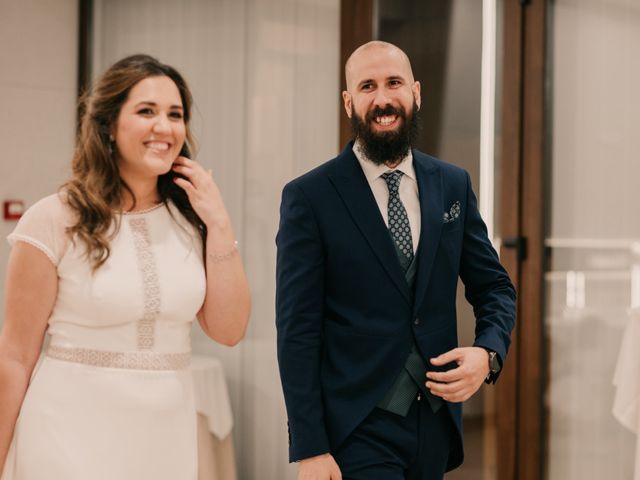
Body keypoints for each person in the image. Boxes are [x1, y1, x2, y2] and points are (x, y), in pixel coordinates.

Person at [0, 54, 251, 480]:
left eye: (176, 114)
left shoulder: (193, 220)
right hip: (67, 436)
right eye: (146, 111)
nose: (165, 127)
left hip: (164, 442)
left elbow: (229, 330)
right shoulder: (53, 219)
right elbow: (15, 358)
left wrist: (220, 222)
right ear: (108, 126)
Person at [275, 41, 516, 479]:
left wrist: (488, 354)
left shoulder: (453, 183)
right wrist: (309, 447)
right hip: (356, 427)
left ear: (416, 92)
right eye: (367, 86)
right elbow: (297, 331)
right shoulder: (309, 197)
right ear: (349, 101)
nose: (382, 98)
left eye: (394, 83)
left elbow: (494, 287)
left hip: (435, 425)